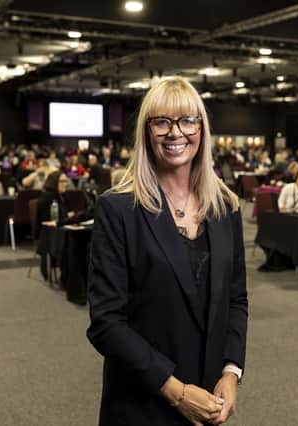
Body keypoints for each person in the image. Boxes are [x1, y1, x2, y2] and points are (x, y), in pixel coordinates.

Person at [87, 77, 247, 426]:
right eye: (162, 121)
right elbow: (106, 323)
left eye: (188, 120)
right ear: (147, 132)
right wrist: (176, 391)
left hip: (207, 401)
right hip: (142, 402)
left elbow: (236, 300)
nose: (176, 133)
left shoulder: (225, 208)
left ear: (202, 130)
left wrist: (231, 372)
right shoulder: (118, 210)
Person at [37, 171, 77, 280]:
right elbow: (46, 220)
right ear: (54, 183)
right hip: (49, 233)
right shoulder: (46, 197)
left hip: (62, 227)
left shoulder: (63, 196)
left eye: (66, 181)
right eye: (62, 181)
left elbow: (70, 213)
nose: (66, 184)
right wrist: (66, 216)